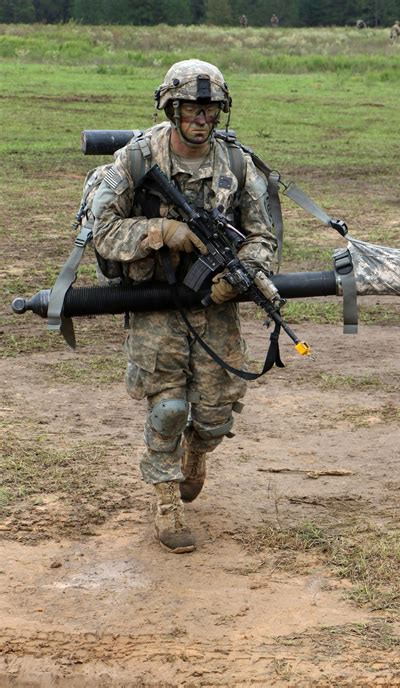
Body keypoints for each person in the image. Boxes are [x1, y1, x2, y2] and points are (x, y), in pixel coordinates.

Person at [91, 60, 276, 554]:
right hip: (155, 303)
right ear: (172, 107)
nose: (202, 116)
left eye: (211, 108)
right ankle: (166, 499)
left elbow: (262, 237)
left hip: (215, 306)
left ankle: (198, 453)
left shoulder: (236, 166)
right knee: (169, 407)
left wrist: (240, 277)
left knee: (215, 415)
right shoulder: (135, 160)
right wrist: (161, 232)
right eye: (192, 107)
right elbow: (102, 230)